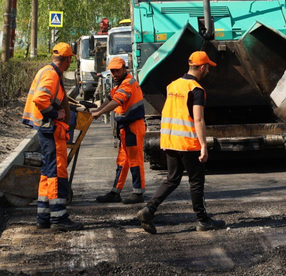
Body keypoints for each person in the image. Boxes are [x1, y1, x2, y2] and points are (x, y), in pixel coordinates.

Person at [136, 51, 225, 234]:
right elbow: (198, 120)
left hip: (170, 139)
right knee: (196, 180)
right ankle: (202, 220)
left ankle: (149, 209)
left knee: (172, 179)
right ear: (201, 67)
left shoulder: (172, 85)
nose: (208, 70)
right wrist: (203, 146)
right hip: (187, 141)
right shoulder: (196, 89)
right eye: (207, 67)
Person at [22, 43, 84, 231]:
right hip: (52, 129)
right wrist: (56, 114)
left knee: (47, 173)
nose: (69, 64)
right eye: (70, 60)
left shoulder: (47, 71)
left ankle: (44, 216)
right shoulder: (51, 74)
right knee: (57, 172)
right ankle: (58, 217)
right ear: (67, 60)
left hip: (46, 129)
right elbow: (40, 98)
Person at [92, 57, 147, 204]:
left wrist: (100, 112)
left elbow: (117, 101)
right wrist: (98, 109)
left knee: (135, 160)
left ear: (124, 69)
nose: (114, 73)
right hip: (126, 128)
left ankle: (138, 192)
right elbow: (111, 98)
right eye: (112, 71)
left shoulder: (127, 84)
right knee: (122, 161)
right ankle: (115, 192)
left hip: (133, 126)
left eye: (117, 70)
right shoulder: (120, 84)